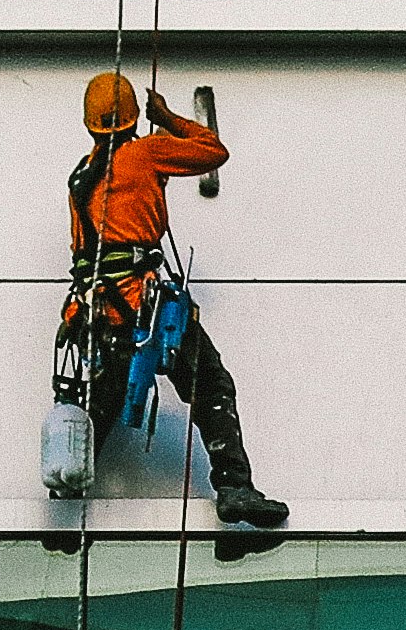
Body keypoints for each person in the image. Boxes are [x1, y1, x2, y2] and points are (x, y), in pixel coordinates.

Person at [53, 71, 285, 553]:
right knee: (210, 385)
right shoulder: (143, 153)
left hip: (101, 314)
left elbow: (83, 249)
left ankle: (65, 497)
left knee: (102, 404)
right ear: (133, 116)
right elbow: (212, 151)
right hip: (145, 307)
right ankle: (234, 489)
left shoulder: (80, 175)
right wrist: (167, 118)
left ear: (89, 124)